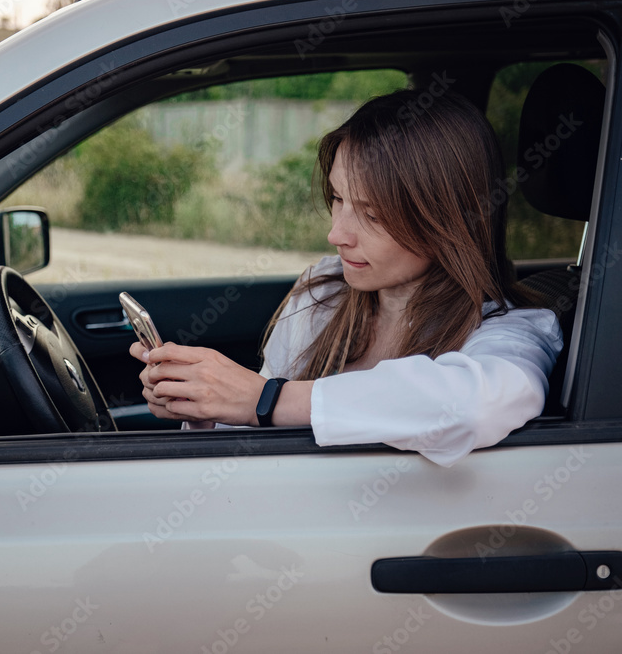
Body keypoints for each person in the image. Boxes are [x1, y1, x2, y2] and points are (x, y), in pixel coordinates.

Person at [129, 89, 563, 467]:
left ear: (445, 218)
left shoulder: (514, 330)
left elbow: (472, 408)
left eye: (372, 214)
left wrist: (267, 398)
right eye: (337, 199)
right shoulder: (322, 293)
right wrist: (206, 412)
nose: (336, 233)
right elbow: (259, 449)